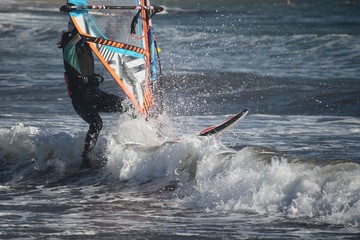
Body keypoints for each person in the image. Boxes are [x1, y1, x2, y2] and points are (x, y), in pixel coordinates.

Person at [58, 19, 127, 168]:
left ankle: (130, 144)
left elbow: (105, 37)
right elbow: (79, 31)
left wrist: (120, 21)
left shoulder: (86, 44)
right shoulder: (69, 45)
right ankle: (86, 158)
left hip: (95, 94)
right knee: (96, 123)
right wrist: (79, 16)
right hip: (81, 100)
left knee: (126, 106)